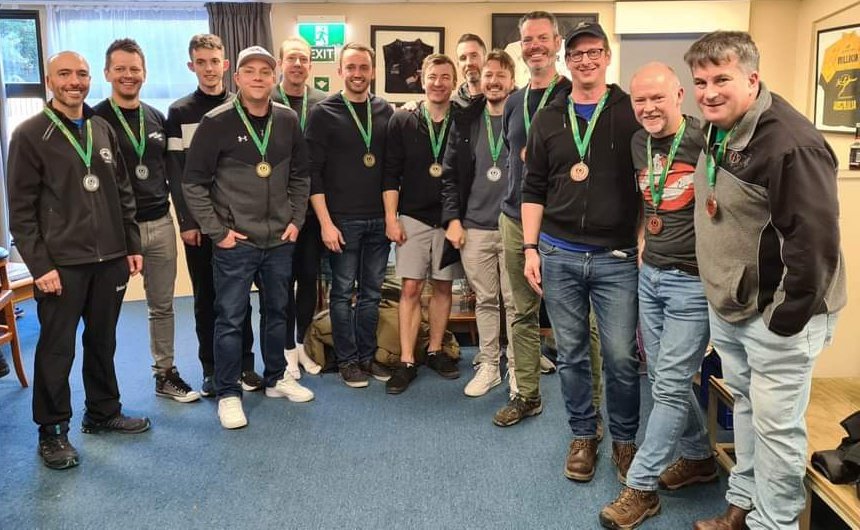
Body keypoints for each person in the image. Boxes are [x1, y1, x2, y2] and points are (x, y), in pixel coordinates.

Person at [685, 31, 846, 530]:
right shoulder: (723, 125)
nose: (709, 91)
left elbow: (813, 245)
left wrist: (783, 321)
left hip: (777, 316)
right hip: (735, 307)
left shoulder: (790, 145)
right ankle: (742, 505)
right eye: (701, 81)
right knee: (749, 410)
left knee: (778, 430)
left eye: (722, 79)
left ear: (752, 78)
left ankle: (772, 524)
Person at [8, 51, 150, 469]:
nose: (75, 81)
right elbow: (21, 209)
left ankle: (103, 411)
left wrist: (132, 244)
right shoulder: (31, 134)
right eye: (65, 74)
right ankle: (52, 431)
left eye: (82, 74)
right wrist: (40, 266)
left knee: (103, 339)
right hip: (61, 264)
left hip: (109, 257)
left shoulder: (101, 128)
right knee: (57, 349)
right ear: (50, 81)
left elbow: (122, 192)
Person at [521, 21, 642, 483]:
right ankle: (583, 434)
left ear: (607, 56)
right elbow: (533, 188)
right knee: (570, 354)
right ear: (565, 61)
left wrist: (644, 236)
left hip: (616, 258)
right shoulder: (549, 116)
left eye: (594, 52)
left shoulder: (631, 112)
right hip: (558, 253)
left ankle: (626, 440)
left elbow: (648, 177)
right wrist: (531, 247)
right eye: (577, 54)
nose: (585, 60)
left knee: (621, 357)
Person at [599, 62, 714, 529]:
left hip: (692, 282)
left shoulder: (705, 141)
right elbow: (651, 200)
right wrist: (646, 243)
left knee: (667, 384)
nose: (647, 107)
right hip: (652, 276)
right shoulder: (637, 142)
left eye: (657, 98)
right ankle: (702, 458)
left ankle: (640, 487)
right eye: (639, 100)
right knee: (665, 379)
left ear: (679, 95)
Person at [183, 46, 314, 429]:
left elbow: (301, 176)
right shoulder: (215, 121)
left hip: (278, 240)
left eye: (265, 72)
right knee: (230, 319)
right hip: (235, 243)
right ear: (236, 78)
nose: (258, 77)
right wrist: (218, 232)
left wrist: (296, 219)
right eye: (249, 71)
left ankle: (276, 377)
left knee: (278, 312)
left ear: (274, 79)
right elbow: (193, 184)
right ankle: (228, 392)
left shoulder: (288, 120)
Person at [93, 38, 199, 403]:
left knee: (162, 305)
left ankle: (165, 373)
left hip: (160, 223)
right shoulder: (94, 119)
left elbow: (171, 169)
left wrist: (184, 216)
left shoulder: (157, 117)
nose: (128, 75)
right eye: (120, 69)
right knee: (104, 313)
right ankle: (105, 395)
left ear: (144, 73)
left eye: (134, 69)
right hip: (116, 230)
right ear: (107, 73)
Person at [493, 11, 583, 428]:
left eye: (543, 38)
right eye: (528, 40)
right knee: (522, 312)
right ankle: (526, 393)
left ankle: (592, 402)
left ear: (558, 42)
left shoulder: (576, 95)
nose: (535, 47)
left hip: (561, 222)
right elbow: (513, 158)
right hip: (514, 217)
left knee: (580, 319)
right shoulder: (514, 100)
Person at [165, 34, 263, 397]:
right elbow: (176, 173)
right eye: (200, 62)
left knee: (240, 297)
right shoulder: (179, 112)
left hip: (238, 225)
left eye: (214, 61)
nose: (208, 68)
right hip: (201, 227)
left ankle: (246, 366)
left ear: (226, 65)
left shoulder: (245, 106)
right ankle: (211, 368)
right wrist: (188, 222)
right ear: (192, 66)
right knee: (207, 299)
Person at [306, 43, 394, 388]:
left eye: (364, 68)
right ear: (340, 71)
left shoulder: (385, 111)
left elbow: (390, 170)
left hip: (378, 220)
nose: (358, 74)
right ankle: (347, 360)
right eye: (351, 67)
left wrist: (390, 217)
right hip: (341, 222)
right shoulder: (322, 112)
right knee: (341, 293)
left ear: (372, 71)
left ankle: (368, 356)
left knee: (372, 292)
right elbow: (313, 173)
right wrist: (325, 222)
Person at [382, 54, 461, 394]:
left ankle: (435, 350)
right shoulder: (403, 119)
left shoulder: (466, 119)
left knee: (443, 287)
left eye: (445, 77)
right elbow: (390, 173)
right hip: (412, 217)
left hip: (451, 219)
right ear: (422, 78)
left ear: (454, 82)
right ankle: (407, 359)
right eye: (433, 76)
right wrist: (391, 218)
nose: (439, 83)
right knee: (411, 288)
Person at [441, 50, 517, 398]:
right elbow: (449, 175)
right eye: (488, 75)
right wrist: (453, 220)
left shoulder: (524, 117)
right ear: (479, 79)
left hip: (514, 227)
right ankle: (489, 364)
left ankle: (519, 367)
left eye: (501, 74)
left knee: (516, 302)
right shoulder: (467, 120)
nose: (494, 80)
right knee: (486, 300)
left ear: (512, 80)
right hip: (474, 227)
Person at [270, 36, 326, 379]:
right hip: (276, 209)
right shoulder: (264, 98)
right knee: (280, 282)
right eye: (291, 58)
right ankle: (284, 350)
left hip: (313, 207)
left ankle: (302, 346)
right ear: (280, 64)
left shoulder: (322, 102)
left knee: (308, 279)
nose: (297, 65)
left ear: (310, 65)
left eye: (304, 59)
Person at [453, 34, 487, 106]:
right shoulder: (453, 105)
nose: (469, 63)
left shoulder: (504, 99)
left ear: (485, 60)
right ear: (458, 65)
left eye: (474, 56)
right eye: (463, 58)